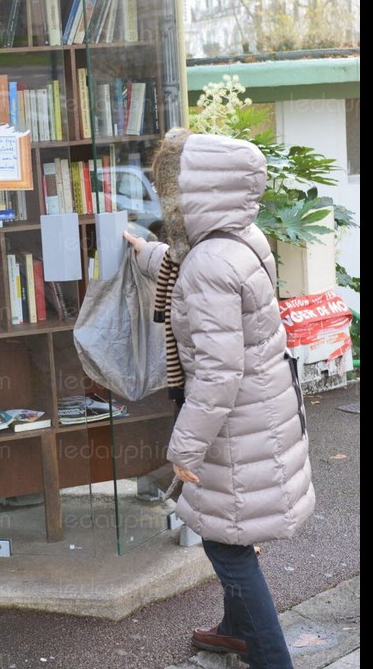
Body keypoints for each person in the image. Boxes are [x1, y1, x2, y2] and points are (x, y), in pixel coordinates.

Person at [124, 128, 315, 669]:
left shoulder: (209, 264)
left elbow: (217, 372)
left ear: (195, 193)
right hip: (260, 413)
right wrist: (146, 252)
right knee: (229, 529)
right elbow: (189, 269)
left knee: (226, 548)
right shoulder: (241, 240)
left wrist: (184, 449)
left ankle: (272, 659)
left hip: (232, 425)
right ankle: (235, 631)